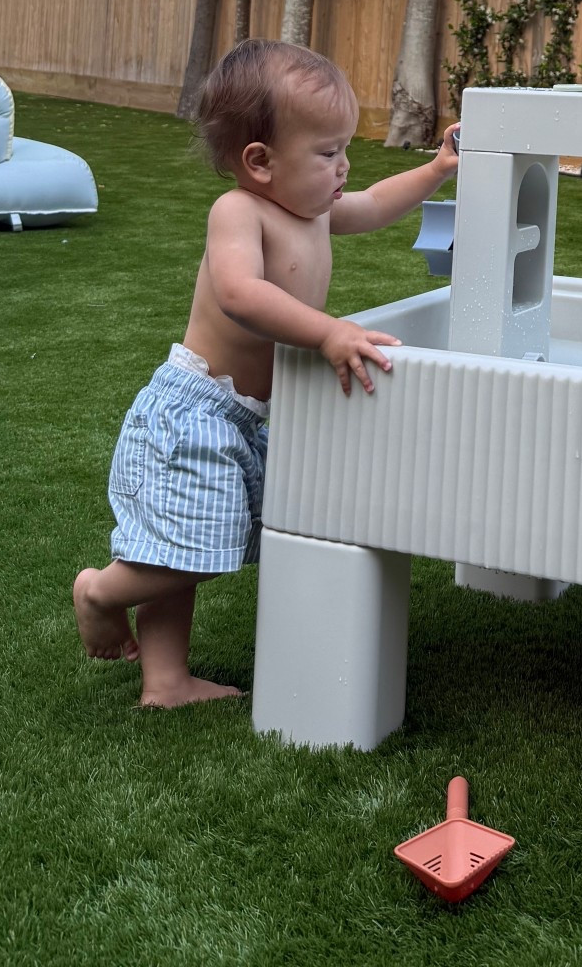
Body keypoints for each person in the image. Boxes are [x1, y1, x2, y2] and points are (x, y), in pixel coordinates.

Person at [72, 38, 459, 707]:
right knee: (191, 546)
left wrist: (436, 171)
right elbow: (240, 294)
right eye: (327, 152)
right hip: (193, 409)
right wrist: (328, 330)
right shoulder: (239, 213)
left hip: (241, 415)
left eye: (343, 150)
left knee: (181, 541)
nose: (344, 168)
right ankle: (99, 591)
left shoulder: (314, 210)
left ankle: (165, 683)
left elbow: (371, 204)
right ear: (260, 162)